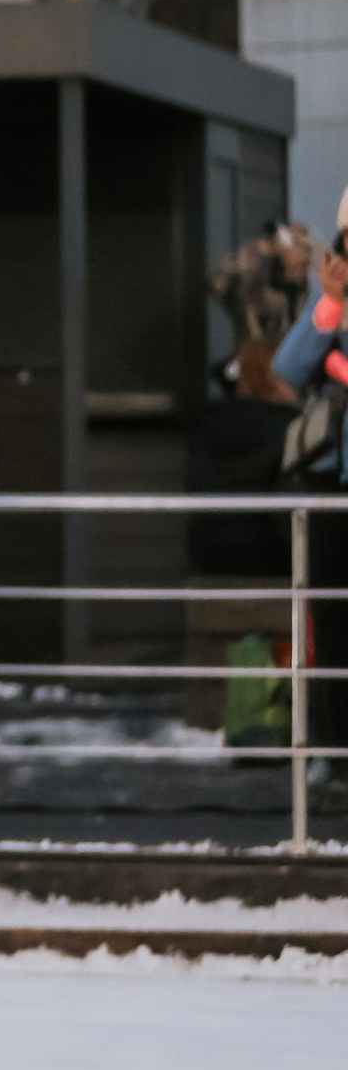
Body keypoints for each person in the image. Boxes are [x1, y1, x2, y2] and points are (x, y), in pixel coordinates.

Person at [266, 238, 348, 778]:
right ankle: (336, 748)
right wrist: (330, 301)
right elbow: (287, 368)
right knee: (335, 625)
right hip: (335, 488)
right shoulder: (333, 309)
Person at [212, 220, 313, 352]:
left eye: (301, 241)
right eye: (292, 240)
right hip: (255, 367)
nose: (293, 244)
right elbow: (216, 283)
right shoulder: (257, 293)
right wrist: (255, 250)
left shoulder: (315, 294)